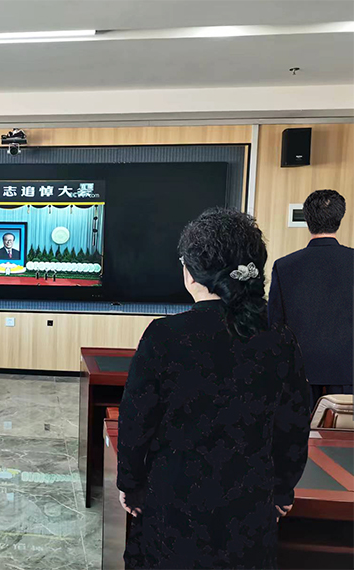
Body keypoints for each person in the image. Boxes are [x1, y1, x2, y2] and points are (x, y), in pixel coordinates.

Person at [117, 208, 310, 569]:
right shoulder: (280, 339)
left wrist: (130, 483)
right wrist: (283, 488)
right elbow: (294, 425)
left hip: (172, 505)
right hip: (250, 508)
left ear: (190, 273)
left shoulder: (164, 336)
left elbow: (135, 423)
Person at [268, 189, 353, 404]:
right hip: (349, 370)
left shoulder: (285, 266)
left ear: (307, 220)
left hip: (299, 373)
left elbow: (275, 325)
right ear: (340, 218)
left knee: (301, 426)